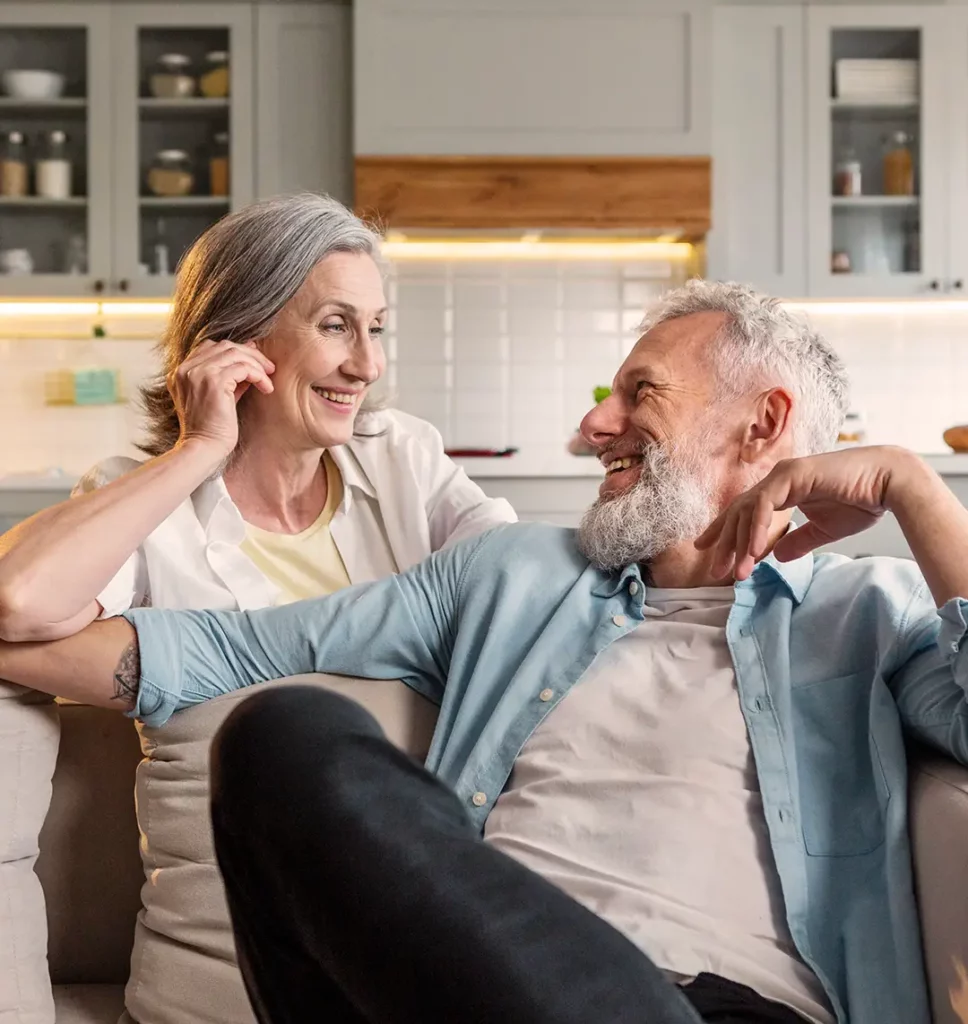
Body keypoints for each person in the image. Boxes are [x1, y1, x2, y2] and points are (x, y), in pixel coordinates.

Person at [4, 280, 966, 1024]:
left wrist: (913, 488)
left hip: (717, 1009)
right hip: (463, 985)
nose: (594, 426)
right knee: (284, 734)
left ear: (764, 423)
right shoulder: (513, 574)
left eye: (640, 394)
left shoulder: (873, 611)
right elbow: (219, 649)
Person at [0, 192, 514, 640]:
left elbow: (514, 570)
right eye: (335, 326)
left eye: (375, 328)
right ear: (235, 335)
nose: (368, 366)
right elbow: (18, 603)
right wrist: (199, 447)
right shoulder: (145, 504)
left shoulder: (399, 452)